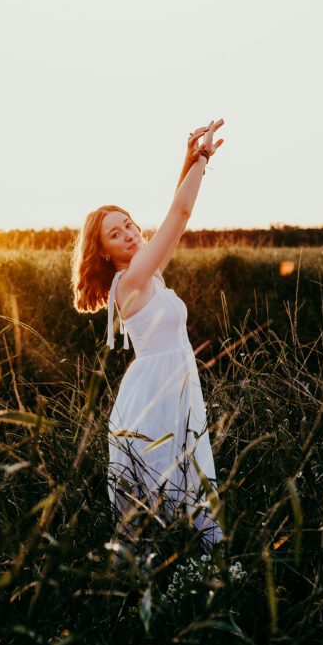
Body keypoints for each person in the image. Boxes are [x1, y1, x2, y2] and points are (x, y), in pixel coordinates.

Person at [71, 119, 225, 552]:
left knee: (183, 481)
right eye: (115, 234)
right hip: (158, 392)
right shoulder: (134, 277)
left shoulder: (146, 271)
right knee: (173, 487)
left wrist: (186, 162)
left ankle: (191, 569)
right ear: (103, 251)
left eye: (130, 225)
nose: (130, 234)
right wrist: (204, 157)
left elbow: (169, 219)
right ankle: (187, 574)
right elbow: (179, 216)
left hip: (169, 383)